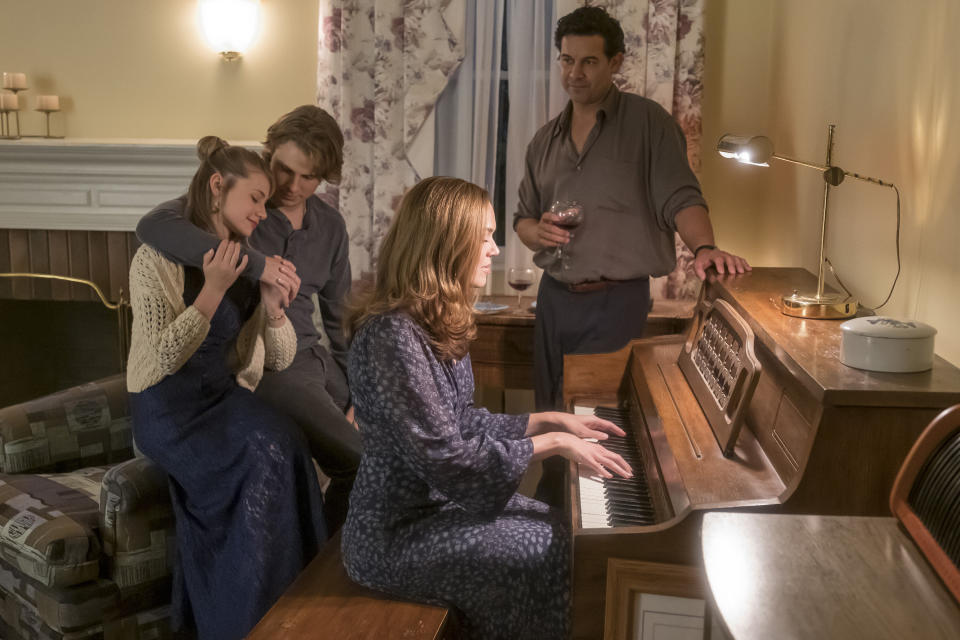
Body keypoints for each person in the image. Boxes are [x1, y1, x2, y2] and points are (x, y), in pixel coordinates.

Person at [341, 176, 633, 640]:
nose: (495, 249)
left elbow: (461, 421)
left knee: (563, 530)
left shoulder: (431, 319)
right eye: (483, 237)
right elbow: (446, 457)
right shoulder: (392, 336)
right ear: (445, 244)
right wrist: (553, 442)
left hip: (438, 510)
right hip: (396, 534)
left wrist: (549, 418)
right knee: (550, 551)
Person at [513, 6, 751, 504]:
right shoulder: (544, 141)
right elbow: (522, 219)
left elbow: (681, 197)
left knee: (598, 424)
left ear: (616, 61)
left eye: (589, 62)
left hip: (616, 301)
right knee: (553, 414)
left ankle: (599, 542)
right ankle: (552, 526)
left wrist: (704, 247)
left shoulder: (648, 124)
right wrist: (539, 232)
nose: (574, 74)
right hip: (554, 300)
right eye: (566, 61)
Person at [126, 136, 327, 639]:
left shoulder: (246, 258)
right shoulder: (155, 260)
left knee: (289, 443)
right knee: (261, 454)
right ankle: (245, 623)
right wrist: (212, 291)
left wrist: (273, 306)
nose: (264, 211)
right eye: (256, 198)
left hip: (221, 398)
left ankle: (296, 616)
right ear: (218, 187)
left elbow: (278, 359)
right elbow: (165, 358)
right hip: (167, 409)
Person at [136, 105, 361, 532]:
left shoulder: (331, 226)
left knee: (392, 445)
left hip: (315, 357)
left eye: (308, 177)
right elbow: (153, 225)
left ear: (323, 177)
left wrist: (356, 394)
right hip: (271, 364)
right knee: (359, 461)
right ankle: (329, 577)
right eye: (284, 169)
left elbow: (340, 316)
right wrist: (259, 264)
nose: (292, 187)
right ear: (268, 151)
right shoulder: (242, 209)